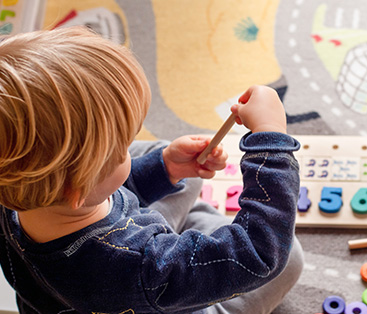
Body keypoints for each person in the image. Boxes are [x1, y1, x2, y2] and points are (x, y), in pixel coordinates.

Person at [0, 26, 304, 313]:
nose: (126, 151)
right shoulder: (143, 265)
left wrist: (164, 168)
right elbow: (260, 251)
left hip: (78, 288)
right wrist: (269, 139)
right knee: (289, 257)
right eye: (120, 150)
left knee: (160, 161)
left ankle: (179, 223)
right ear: (77, 188)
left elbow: (97, 192)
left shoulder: (17, 192)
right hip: (146, 286)